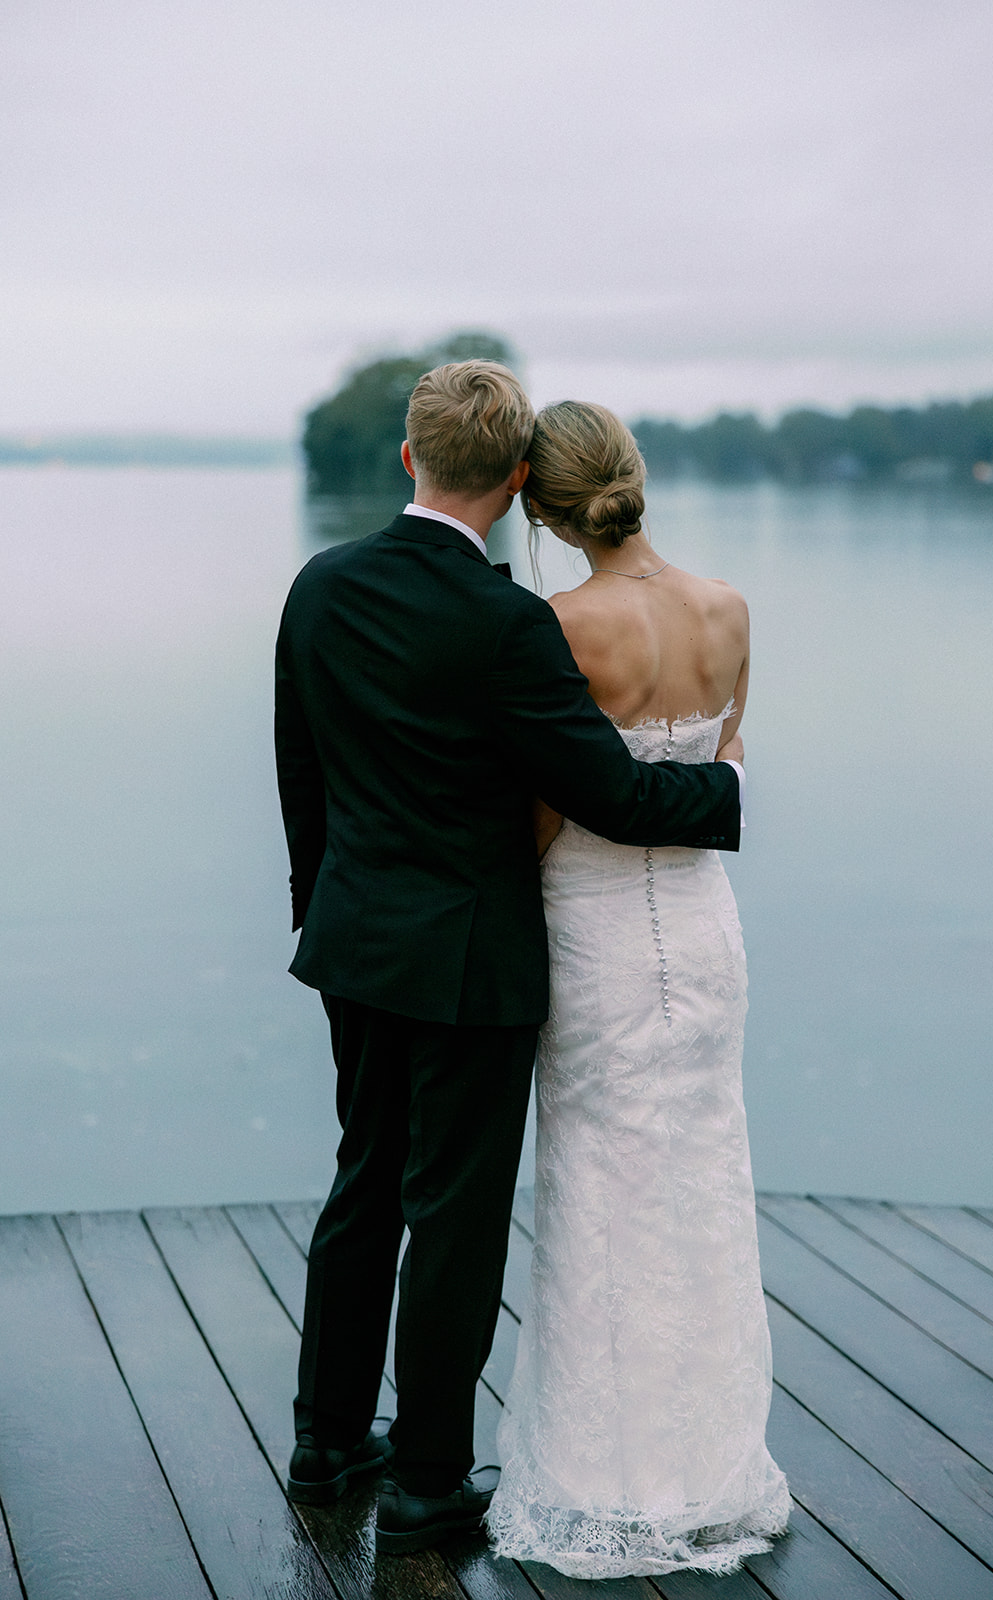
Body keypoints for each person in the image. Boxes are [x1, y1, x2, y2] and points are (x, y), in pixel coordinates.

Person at [273, 362, 743, 1554]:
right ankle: (429, 1473)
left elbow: (301, 772)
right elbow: (612, 792)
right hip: (473, 963)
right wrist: (725, 788)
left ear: (406, 459)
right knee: (456, 1212)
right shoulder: (505, 622)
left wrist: (320, 909)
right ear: (519, 476)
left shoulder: (320, 586)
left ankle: (326, 1435)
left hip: (352, 939)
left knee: (363, 1177)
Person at [486, 402, 790, 1578]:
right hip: (707, 936)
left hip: (596, 934)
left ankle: (606, 1482)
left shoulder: (557, 624)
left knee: (601, 1194)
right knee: (702, 1185)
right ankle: (712, 1470)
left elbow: (554, 803)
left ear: (541, 507)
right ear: (634, 479)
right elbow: (729, 767)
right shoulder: (726, 608)